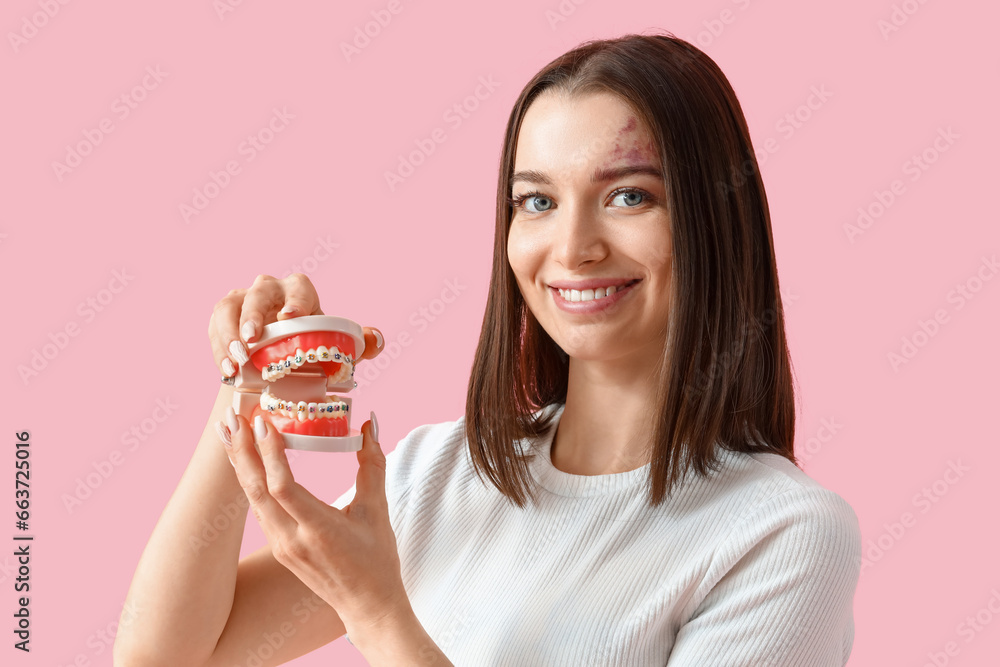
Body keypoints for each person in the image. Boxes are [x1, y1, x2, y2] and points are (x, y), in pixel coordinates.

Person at [115, 32, 861, 666]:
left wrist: (379, 612)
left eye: (630, 195)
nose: (572, 248)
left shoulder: (782, 533)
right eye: (536, 201)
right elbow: (164, 656)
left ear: (712, 216)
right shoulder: (439, 476)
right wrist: (249, 378)